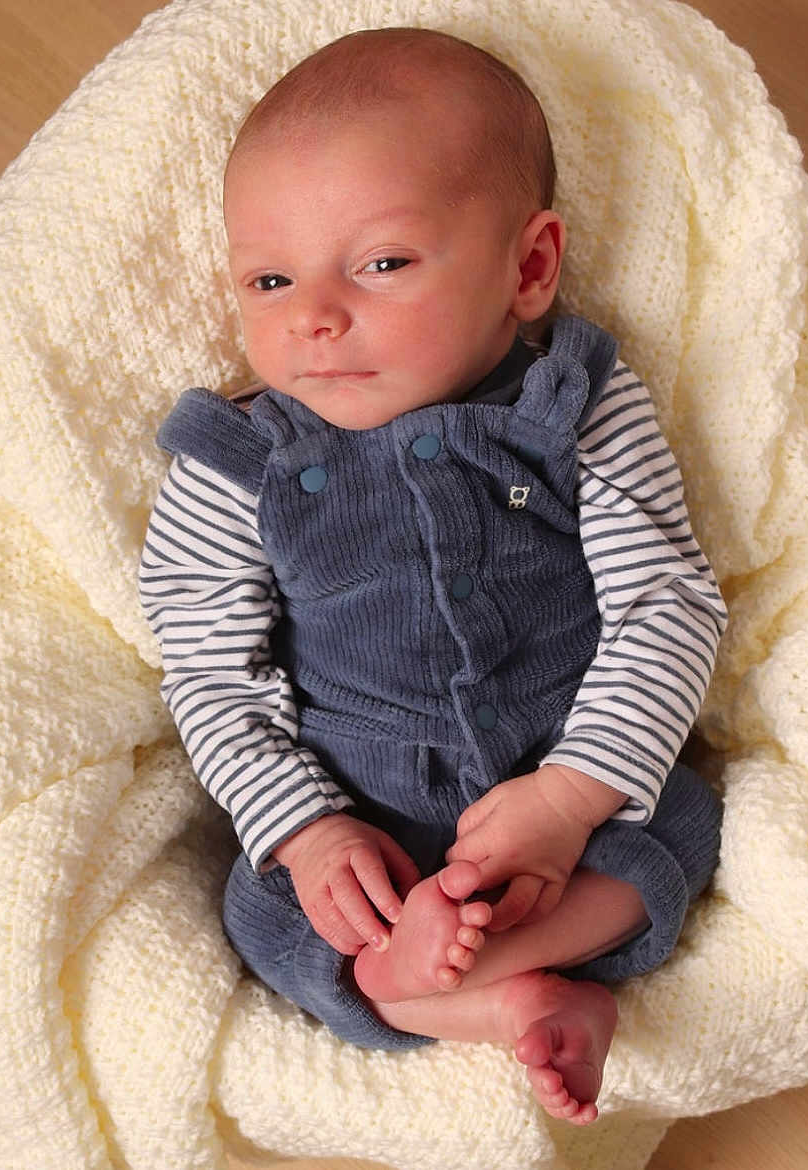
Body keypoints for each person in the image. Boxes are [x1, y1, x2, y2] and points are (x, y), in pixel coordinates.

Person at [139, 27, 727, 1125]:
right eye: (270, 279)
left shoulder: (574, 407)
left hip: (570, 781)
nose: (314, 315)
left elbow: (667, 604)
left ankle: (462, 979)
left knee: (682, 821)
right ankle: (509, 998)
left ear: (529, 268)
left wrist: (570, 797)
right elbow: (211, 673)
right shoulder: (237, 462)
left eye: (382, 264)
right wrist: (308, 832)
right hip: (369, 827)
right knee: (262, 910)